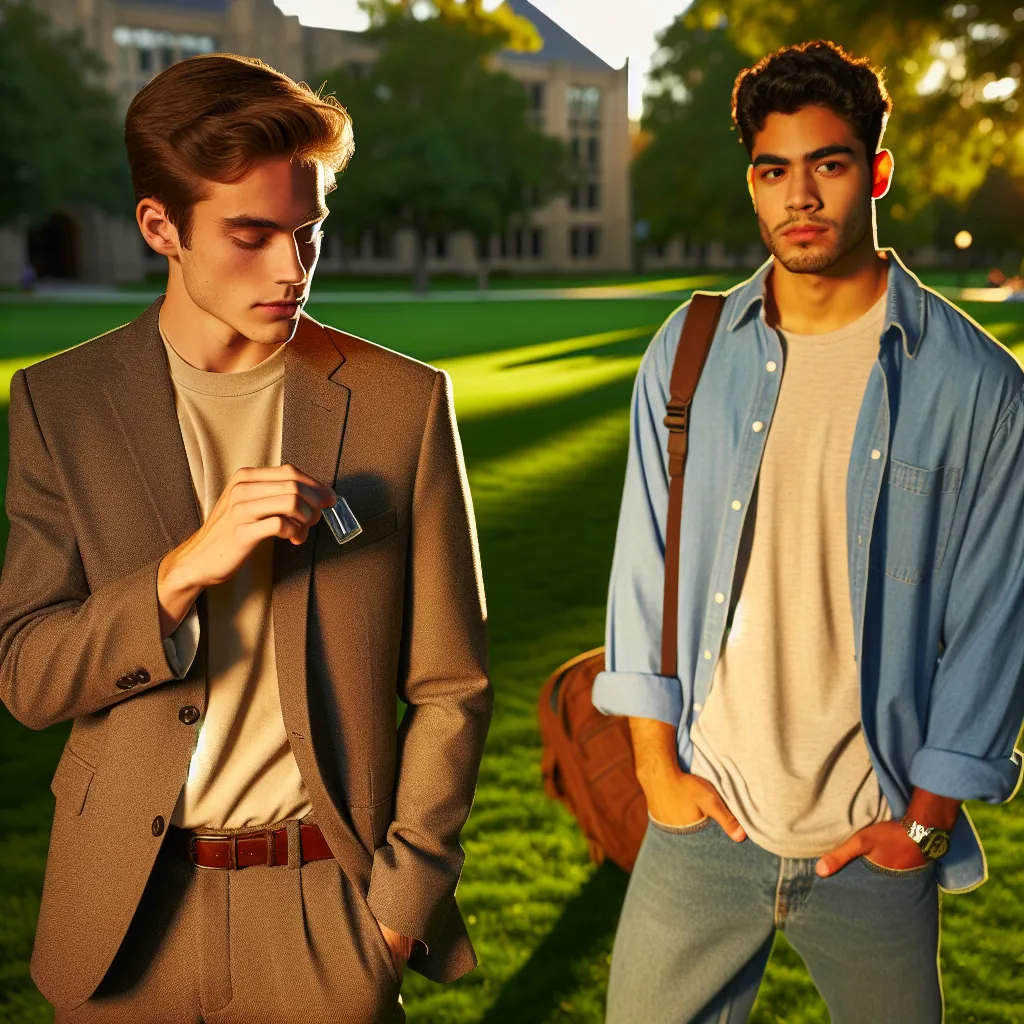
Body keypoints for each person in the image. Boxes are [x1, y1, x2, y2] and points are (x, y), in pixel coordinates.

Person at [0, 53, 491, 1024]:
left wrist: (394, 911)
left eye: (307, 232)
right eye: (252, 234)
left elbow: (451, 687)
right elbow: (27, 676)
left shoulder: (403, 404)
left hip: (325, 918)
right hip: (124, 920)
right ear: (160, 228)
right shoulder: (62, 405)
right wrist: (183, 572)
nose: (291, 269)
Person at [593, 39, 1024, 1024]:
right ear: (751, 182)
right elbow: (642, 565)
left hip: (872, 837)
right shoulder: (690, 348)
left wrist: (922, 826)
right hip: (703, 821)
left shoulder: (979, 388)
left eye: (827, 165)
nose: (799, 195)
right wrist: (657, 774)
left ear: (873, 170)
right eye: (772, 169)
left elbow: (997, 621)